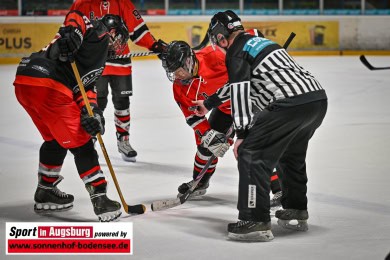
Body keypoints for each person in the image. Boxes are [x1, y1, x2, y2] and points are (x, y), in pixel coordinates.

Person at [200, 10, 327, 241]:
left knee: (251, 154)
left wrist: (241, 134)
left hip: (287, 105)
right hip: (315, 100)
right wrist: (209, 103)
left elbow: (239, 93)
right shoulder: (261, 42)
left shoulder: (236, 51)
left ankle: (255, 219)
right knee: (291, 156)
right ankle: (296, 209)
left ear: (220, 37)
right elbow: (235, 85)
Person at [13, 11, 130, 222]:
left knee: (55, 140)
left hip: (27, 81)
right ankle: (101, 199)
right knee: (82, 143)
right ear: (112, 32)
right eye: (119, 38)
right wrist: (73, 35)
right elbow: (77, 17)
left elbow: (85, 88)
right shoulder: (98, 34)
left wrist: (92, 113)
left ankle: (45, 190)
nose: (119, 44)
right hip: (49, 84)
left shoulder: (98, 58)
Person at [160, 39, 282, 204]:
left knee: (250, 149)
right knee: (205, 148)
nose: (176, 75)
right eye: (172, 71)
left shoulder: (216, 56)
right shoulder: (179, 87)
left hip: (250, 104)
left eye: (178, 70)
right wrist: (208, 134)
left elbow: (246, 72)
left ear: (188, 61)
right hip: (224, 109)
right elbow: (193, 116)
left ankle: (279, 190)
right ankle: (200, 182)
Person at [70, 0, 167, 162]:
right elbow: (72, 28)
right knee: (96, 102)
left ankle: (123, 140)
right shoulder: (81, 4)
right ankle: (89, 139)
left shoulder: (122, 3)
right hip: (94, 62)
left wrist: (154, 45)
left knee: (122, 102)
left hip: (120, 61)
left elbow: (138, 29)